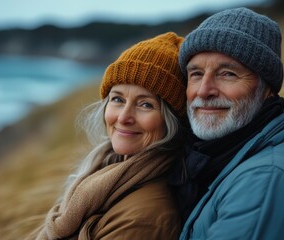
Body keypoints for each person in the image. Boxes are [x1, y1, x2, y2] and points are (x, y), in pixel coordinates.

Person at [170, 7, 284, 239]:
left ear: (266, 89)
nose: (204, 90)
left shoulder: (268, 182)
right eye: (195, 74)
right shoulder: (222, 161)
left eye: (228, 74)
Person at [33, 32, 187, 239]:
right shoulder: (103, 171)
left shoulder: (143, 219)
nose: (124, 117)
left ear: (172, 121)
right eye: (117, 99)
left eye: (145, 104)